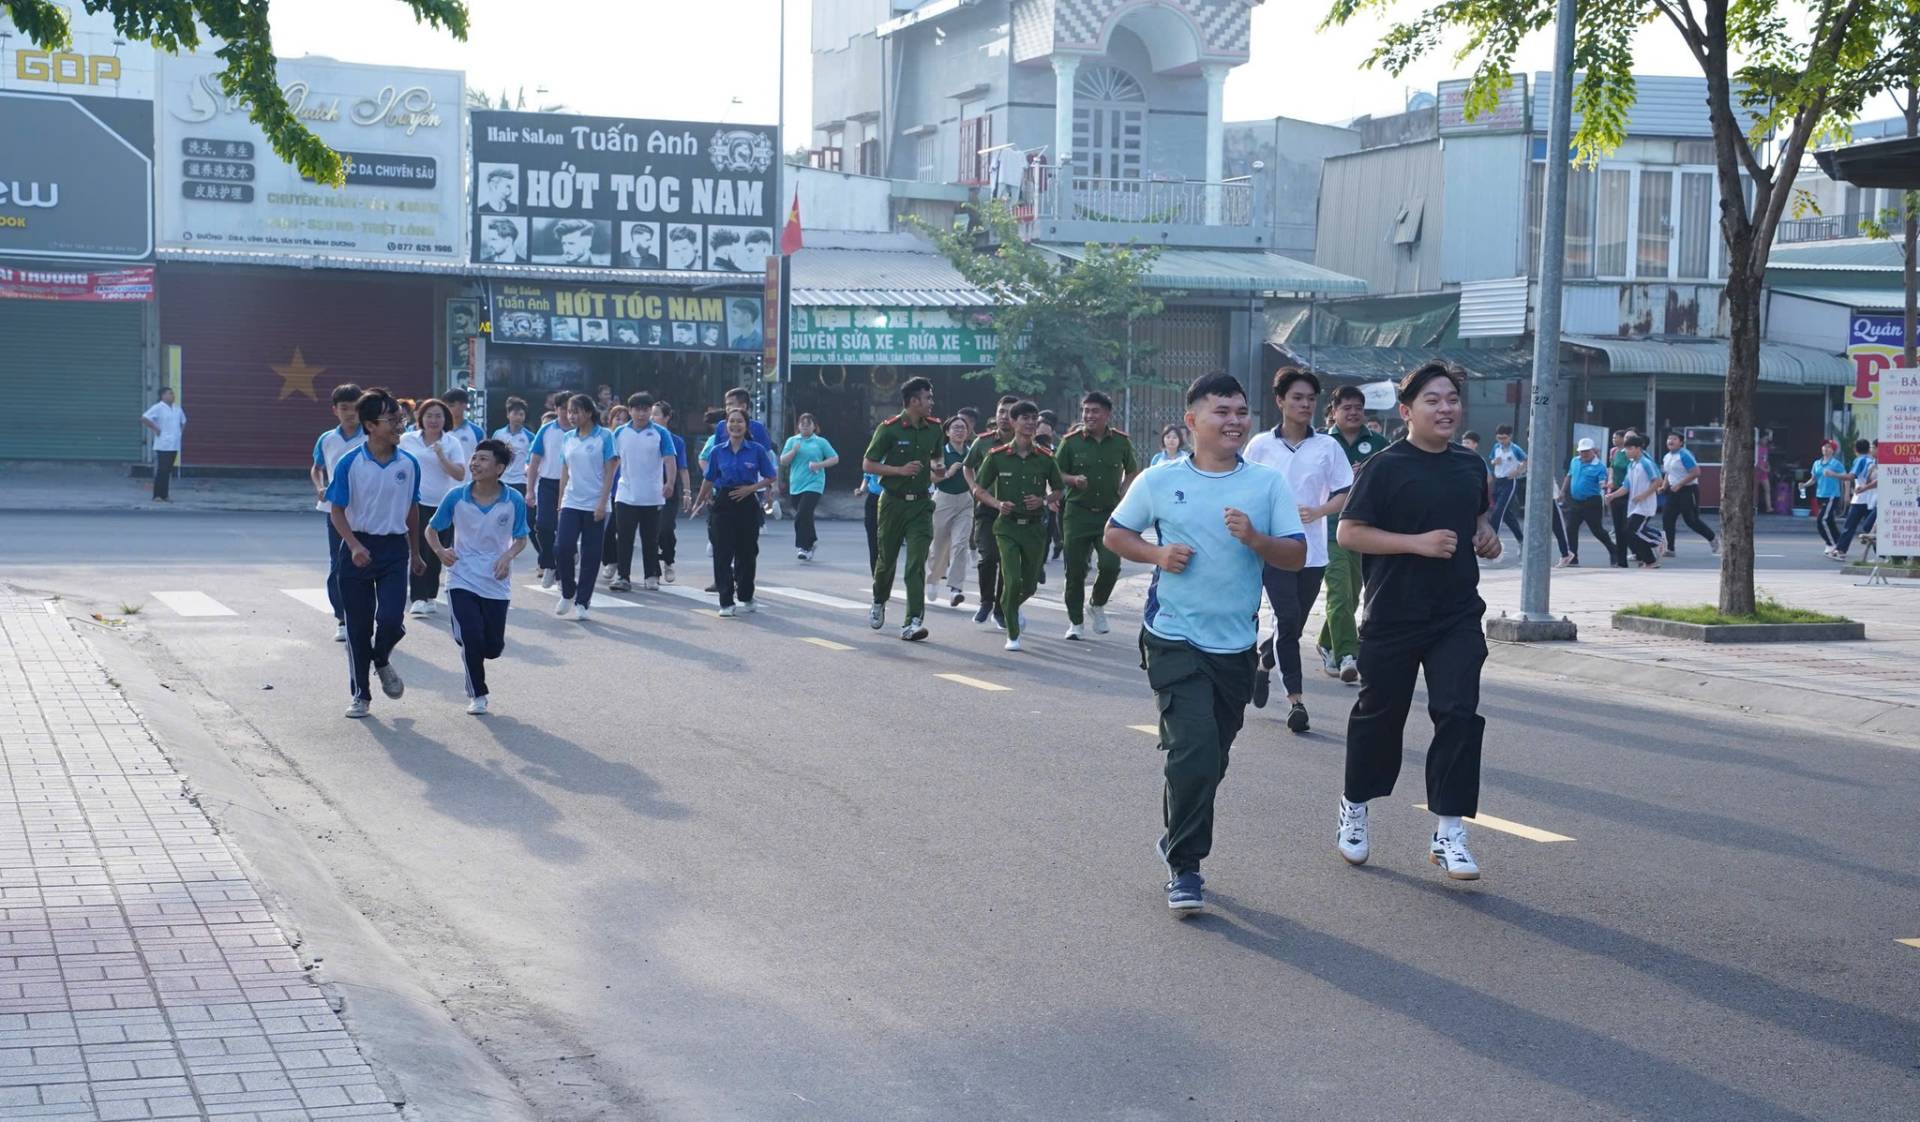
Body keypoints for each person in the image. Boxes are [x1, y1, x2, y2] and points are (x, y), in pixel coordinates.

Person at [1104, 372, 1307, 913]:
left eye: (1241, 411)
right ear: (1192, 421)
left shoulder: (1266, 484)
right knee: (1192, 751)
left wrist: (1255, 539)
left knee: (1211, 758)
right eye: (1222, 412)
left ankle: (1175, 836)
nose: (1235, 421)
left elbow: (1295, 554)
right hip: (1173, 636)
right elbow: (1115, 533)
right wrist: (1156, 556)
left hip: (1235, 645)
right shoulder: (1158, 479)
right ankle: (1186, 867)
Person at [1335, 362, 1501, 883]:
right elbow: (1349, 533)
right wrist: (1415, 544)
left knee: (1458, 713)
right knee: (1380, 717)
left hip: (1455, 613)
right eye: (1433, 400)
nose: (1446, 408)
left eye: (1452, 398)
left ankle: (1448, 830)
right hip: (1392, 613)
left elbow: (1476, 515)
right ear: (1407, 411)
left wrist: (1485, 535)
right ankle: (1355, 805)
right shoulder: (1383, 468)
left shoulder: (1471, 466)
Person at [1244, 369, 1353, 731]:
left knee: (1293, 625)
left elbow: (1344, 491)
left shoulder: (1328, 446)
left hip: (1313, 551)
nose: (1305, 404)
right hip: (1274, 548)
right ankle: (1296, 702)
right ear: (1280, 401)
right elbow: (1245, 488)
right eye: (1297, 397)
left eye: (1310, 398)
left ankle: (1264, 658)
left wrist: (1319, 510)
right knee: (1287, 620)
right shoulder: (1260, 445)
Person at [325, 389, 426, 719]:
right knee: (357, 626)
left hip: (394, 549)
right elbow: (336, 510)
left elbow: (412, 510)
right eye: (392, 419)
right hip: (357, 548)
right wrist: (354, 545)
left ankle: (381, 658)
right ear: (370, 425)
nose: (400, 424)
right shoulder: (350, 462)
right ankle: (361, 695)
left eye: (400, 417)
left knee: (392, 620)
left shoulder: (409, 464)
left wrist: (416, 552)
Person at [426, 440, 529, 715]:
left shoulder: (513, 500)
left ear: (499, 468)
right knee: (471, 637)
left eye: (483, 460)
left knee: (492, 647)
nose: (475, 464)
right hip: (461, 576)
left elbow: (521, 539)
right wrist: (440, 551)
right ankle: (478, 694)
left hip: (496, 581)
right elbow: (432, 529)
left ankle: (472, 642)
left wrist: (507, 556)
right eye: (474, 458)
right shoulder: (456, 496)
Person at [972, 402, 1065, 651]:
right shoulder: (997, 456)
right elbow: (979, 488)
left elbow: (1058, 489)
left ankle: (1005, 604)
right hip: (1007, 528)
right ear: (1013, 422)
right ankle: (1013, 635)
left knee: (1030, 585)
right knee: (1012, 580)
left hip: (1035, 529)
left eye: (1034, 418)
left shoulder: (1045, 458)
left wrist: (1043, 500)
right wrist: (996, 503)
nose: (1031, 422)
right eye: (1025, 418)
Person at [1055, 391, 1141, 642]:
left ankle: (1097, 603)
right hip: (1077, 514)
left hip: (1110, 515)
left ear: (1107, 414)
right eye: (1085, 411)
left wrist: (1124, 492)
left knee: (1111, 566)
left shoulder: (1121, 442)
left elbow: (1133, 470)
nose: (1089, 416)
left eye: (1094, 411)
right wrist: (1072, 479)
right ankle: (1075, 622)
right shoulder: (1071, 442)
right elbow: (1055, 472)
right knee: (1075, 569)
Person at [862, 376, 943, 641]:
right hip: (892, 502)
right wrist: (899, 470)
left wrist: (938, 467)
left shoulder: (934, 428)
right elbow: (869, 464)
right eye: (927, 398)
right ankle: (878, 599)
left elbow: (936, 456)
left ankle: (913, 622)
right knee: (886, 561)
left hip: (921, 504)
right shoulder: (889, 429)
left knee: (916, 563)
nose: (931, 402)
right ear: (913, 401)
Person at [1316, 386, 1380, 686]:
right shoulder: (1321, 444)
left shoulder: (1379, 443)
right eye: (1346, 408)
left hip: (1366, 530)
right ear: (1333, 411)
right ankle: (1346, 655)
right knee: (1340, 592)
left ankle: (1326, 641)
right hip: (1329, 530)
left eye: (1358, 407)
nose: (1352, 412)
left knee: (1353, 595)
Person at [693, 408, 778, 617]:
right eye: (731, 422)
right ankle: (726, 601)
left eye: (739, 422)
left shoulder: (756, 450)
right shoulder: (717, 451)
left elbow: (770, 476)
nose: (735, 425)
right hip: (724, 501)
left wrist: (751, 489)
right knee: (722, 552)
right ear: (725, 426)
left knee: (747, 552)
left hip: (748, 501)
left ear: (746, 426)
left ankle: (746, 594)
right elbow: (709, 478)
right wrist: (699, 501)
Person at [398, 400, 468, 617]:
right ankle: (418, 597)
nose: (434, 420)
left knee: (437, 551)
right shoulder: (408, 440)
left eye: (438, 416)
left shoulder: (451, 443)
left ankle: (429, 595)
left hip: (442, 504)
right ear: (421, 418)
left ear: (445, 419)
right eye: (429, 415)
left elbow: (459, 474)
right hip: (415, 502)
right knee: (418, 549)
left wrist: (441, 455)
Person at [553, 394, 618, 620]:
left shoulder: (605, 436)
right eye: (569, 412)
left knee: (591, 555)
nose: (571, 416)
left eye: (576, 411)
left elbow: (611, 470)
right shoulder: (568, 438)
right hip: (571, 501)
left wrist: (602, 502)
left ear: (589, 412)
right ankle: (568, 591)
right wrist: (560, 501)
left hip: (595, 504)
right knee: (562, 547)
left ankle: (583, 601)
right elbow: (564, 470)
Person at [311, 383, 367, 642]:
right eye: (344, 408)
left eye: (355, 408)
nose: (350, 413)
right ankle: (343, 619)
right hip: (335, 510)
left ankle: (365, 615)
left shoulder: (370, 435)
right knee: (339, 564)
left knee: (366, 563)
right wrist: (320, 485)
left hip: (368, 511)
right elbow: (317, 467)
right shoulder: (327, 439)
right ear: (335, 410)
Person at [611, 393, 678, 592]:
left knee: (650, 538)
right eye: (637, 409)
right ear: (630, 410)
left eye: (645, 409)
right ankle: (623, 576)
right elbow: (613, 462)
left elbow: (669, 459)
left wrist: (670, 483)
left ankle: (651, 575)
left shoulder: (660, 433)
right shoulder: (620, 433)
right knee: (624, 537)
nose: (641, 414)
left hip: (652, 494)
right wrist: (605, 488)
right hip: (625, 493)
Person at [965, 396, 1021, 629]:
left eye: (1008, 413)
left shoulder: (1026, 444)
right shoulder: (983, 442)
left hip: (1015, 512)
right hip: (987, 509)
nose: (1003, 417)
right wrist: (974, 487)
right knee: (988, 557)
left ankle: (1000, 608)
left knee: (1007, 562)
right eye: (1000, 412)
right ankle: (986, 601)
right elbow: (968, 466)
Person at [925, 415, 975, 604]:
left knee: (960, 544)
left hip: (965, 501)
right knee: (939, 544)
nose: (960, 431)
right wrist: (949, 472)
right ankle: (933, 581)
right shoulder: (941, 453)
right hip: (943, 499)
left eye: (963, 428)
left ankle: (956, 588)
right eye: (955, 428)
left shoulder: (971, 452)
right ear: (947, 432)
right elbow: (933, 478)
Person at [525, 391, 571, 588]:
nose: (567, 413)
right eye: (563, 409)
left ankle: (561, 573)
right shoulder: (546, 430)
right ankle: (549, 563)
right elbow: (534, 461)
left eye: (571, 410)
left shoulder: (581, 431)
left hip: (571, 486)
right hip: (548, 483)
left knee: (564, 532)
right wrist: (530, 490)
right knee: (543, 526)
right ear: (556, 409)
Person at [780, 413, 840, 562]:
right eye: (802, 423)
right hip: (796, 484)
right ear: (798, 426)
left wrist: (819, 465)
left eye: (808, 423)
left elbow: (834, 458)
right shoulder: (792, 441)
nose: (805, 426)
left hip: (814, 483)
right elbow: (783, 461)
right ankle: (811, 542)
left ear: (814, 426)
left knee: (802, 514)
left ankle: (803, 547)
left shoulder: (820, 442)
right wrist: (793, 451)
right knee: (804, 515)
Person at [1559, 438, 1615, 567]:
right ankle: (1573, 557)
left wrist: (1607, 488)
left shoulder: (1599, 466)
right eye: (1581, 452)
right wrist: (1562, 491)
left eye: (1586, 452)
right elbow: (1569, 476)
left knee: (1597, 530)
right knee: (1570, 528)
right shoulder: (1575, 461)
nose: (1583, 454)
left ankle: (1613, 550)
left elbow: (1602, 483)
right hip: (1575, 501)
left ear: (1593, 451)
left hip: (1591, 502)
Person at [1659, 431, 1718, 556]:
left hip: (1687, 490)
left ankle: (1712, 538)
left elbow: (1696, 472)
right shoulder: (1667, 456)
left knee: (1691, 520)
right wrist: (1664, 486)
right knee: (1667, 519)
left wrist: (1680, 484)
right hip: (1672, 492)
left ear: (1680, 442)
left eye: (1674, 439)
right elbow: (1668, 473)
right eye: (1669, 438)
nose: (1670, 441)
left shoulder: (1684, 455)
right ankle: (1670, 549)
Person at [651, 400, 688, 583]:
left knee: (665, 527)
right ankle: (653, 570)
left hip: (668, 487)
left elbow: (683, 468)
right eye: (651, 414)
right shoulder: (645, 437)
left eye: (656, 414)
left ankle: (668, 560)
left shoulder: (677, 441)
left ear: (667, 417)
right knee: (650, 530)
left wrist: (687, 491)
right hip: (648, 486)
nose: (652, 418)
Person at [1613, 435, 1663, 567]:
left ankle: (1658, 541)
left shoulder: (1646, 463)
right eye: (1626, 449)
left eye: (1630, 449)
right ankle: (1650, 560)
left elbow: (1658, 481)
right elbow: (1625, 487)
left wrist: (1643, 495)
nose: (1627, 452)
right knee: (1629, 532)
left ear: (1638, 448)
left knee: (1631, 530)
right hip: (1634, 506)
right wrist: (1612, 496)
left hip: (1645, 506)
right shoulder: (1631, 465)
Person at [1829, 438, 1878, 559]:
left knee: (1849, 526)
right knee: (1872, 528)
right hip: (1872, 500)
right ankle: (1883, 555)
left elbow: (1851, 476)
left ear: (1855, 449)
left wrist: (1832, 474)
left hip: (1860, 498)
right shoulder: (1872, 461)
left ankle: (1840, 550)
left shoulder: (1860, 460)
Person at [141, 387, 186, 502]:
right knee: (162, 469)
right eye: (170, 394)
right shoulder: (158, 407)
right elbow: (144, 418)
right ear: (163, 396)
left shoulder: (177, 409)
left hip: (174, 444)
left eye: (173, 394)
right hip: (163, 444)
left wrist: (179, 433)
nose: (172, 396)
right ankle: (157, 495)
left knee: (168, 470)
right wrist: (156, 428)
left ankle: (165, 495)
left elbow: (183, 421)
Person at [1488, 423, 1526, 546]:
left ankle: (1492, 541)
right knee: (1507, 515)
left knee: (1498, 511)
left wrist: (1518, 471)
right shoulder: (1496, 447)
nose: (1502, 441)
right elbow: (1492, 459)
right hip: (1497, 481)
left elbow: (1526, 460)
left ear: (1510, 436)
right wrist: (1494, 461)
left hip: (1509, 482)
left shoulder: (1515, 449)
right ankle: (1521, 540)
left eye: (1504, 438)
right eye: (1499, 438)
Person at [1810, 439, 1849, 549]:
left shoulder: (1836, 464)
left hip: (1832, 496)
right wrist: (1804, 485)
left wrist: (1846, 495)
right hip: (1820, 495)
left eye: (1828, 447)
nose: (1825, 449)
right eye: (1824, 446)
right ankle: (1840, 543)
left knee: (1822, 520)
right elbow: (1813, 479)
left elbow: (1846, 479)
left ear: (1833, 451)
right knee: (1830, 521)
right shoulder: (1817, 463)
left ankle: (1831, 544)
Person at [492, 397, 533, 498]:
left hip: (521, 481)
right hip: (501, 479)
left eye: (521, 414)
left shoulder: (530, 437)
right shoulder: (498, 434)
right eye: (515, 414)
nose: (518, 417)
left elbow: (533, 460)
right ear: (508, 415)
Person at [1606, 429, 1633, 567]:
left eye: (1617, 438)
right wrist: (1610, 480)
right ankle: (1621, 561)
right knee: (1618, 528)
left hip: (1628, 491)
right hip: (1615, 491)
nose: (1614, 440)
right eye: (1613, 438)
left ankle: (1647, 549)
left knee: (1626, 527)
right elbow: (1611, 467)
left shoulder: (1630, 453)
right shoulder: (1614, 452)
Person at [441, 387, 486, 451]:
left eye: (451, 405)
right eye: (445, 406)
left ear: (464, 405)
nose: (447, 409)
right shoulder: (439, 429)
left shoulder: (477, 431)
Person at [856, 470, 882, 572]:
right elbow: (867, 476)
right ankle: (875, 573)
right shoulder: (873, 456)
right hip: (873, 499)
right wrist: (861, 490)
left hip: (892, 499)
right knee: (872, 534)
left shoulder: (897, 457)